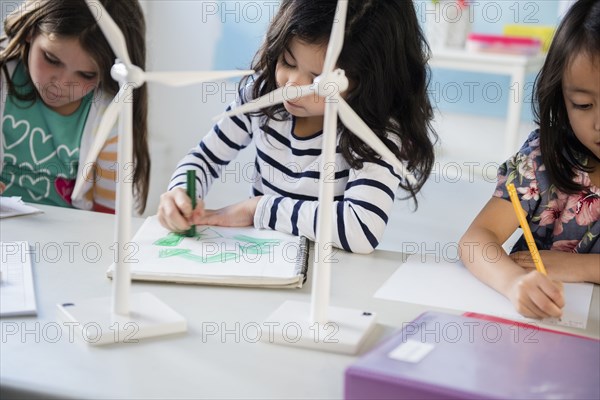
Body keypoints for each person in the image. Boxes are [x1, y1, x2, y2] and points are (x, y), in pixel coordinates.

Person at [158, 0, 437, 254]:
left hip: (331, 271)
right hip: (262, 259)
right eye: (287, 62)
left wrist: (257, 209)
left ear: (369, 81)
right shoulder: (261, 97)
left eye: (317, 78)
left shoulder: (376, 134)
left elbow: (361, 229)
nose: (293, 86)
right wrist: (182, 193)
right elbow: (205, 158)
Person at [459, 0, 599, 319]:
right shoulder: (543, 158)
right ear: (561, 99)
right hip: (533, 331)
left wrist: (583, 267)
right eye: (582, 104)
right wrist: (514, 283)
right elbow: (475, 241)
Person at [0, 0, 150, 214]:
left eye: (86, 74)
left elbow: (108, 218)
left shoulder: (111, 119)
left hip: (70, 238)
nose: (61, 84)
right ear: (31, 31)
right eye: (51, 59)